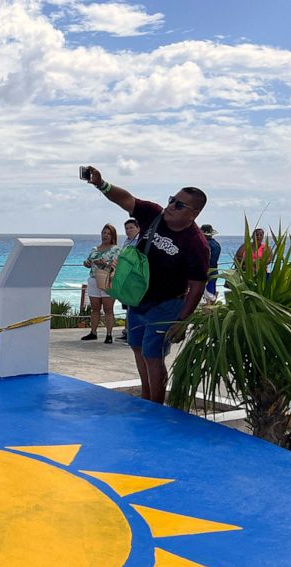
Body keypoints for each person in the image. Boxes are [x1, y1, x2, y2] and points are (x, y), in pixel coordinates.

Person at [83, 166, 210, 405]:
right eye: (172, 200)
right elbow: (127, 200)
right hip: (138, 299)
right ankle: (146, 397)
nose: (171, 206)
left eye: (179, 205)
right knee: (138, 349)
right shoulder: (155, 215)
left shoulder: (196, 244)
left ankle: (156, 406)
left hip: (166, 305)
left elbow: (197, 286)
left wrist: (182, 321)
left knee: (153, 356)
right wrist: (102, 184)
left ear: (194, 214)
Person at [81, 223, 119, 344]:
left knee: (108, 309)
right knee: (95, 308)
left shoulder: (116, 249)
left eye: (108, 233)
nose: (105, 235)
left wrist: (104, 263)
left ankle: (109, 334)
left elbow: (116, 265)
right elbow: (89, 261)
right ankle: (93, 332)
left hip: (107, 279)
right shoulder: (95, 249)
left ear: (112, 235)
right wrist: (87, 263)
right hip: (93, 279)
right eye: (104, 233)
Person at [117, 218, 140, 341]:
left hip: (135, 278)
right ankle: (127, 332)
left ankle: (133, 333)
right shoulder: (126, 242)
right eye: (127, 228)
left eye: (131, 228)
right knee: (127, 307)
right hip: (126, 278)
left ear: (138, 228)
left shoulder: (140, 241)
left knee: (134, 306)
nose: (129, 230)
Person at [200, 224, 222, 303]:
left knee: (206, 295)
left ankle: (207, 312)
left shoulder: (205, 244)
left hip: (205, 271)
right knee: (211, 292)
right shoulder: (216, 244)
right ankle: (212, 311)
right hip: (214, 270)